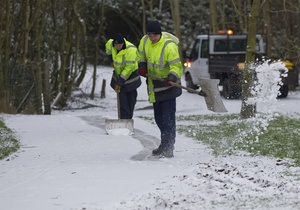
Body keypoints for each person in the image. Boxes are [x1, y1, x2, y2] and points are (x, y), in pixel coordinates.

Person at [137, 21, 183, 158]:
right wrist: (142, 66)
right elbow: (140, 56)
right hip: (155, 87)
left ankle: (169, 147)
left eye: (155, 35)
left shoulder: (169, 46)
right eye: (150, 35)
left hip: (169, 86)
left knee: (168, 119)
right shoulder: (144, 41)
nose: (152, 38)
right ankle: (165, 144)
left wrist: (172, 77)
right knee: (159, 119)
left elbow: (177, 67)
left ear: (160, 33)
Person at [105, 33, 141, 119]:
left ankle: (128, 119)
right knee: (122, 102)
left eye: (120, 45)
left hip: (131, 77)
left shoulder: (131, 50)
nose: (118, 47)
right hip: (119, 75)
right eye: (116, 45)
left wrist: (120, 82)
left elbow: (129, 68)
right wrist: (111, 60)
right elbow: (108, 47)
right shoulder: (111, 44)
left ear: (123, 43)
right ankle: (123, 120)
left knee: (131, 101)